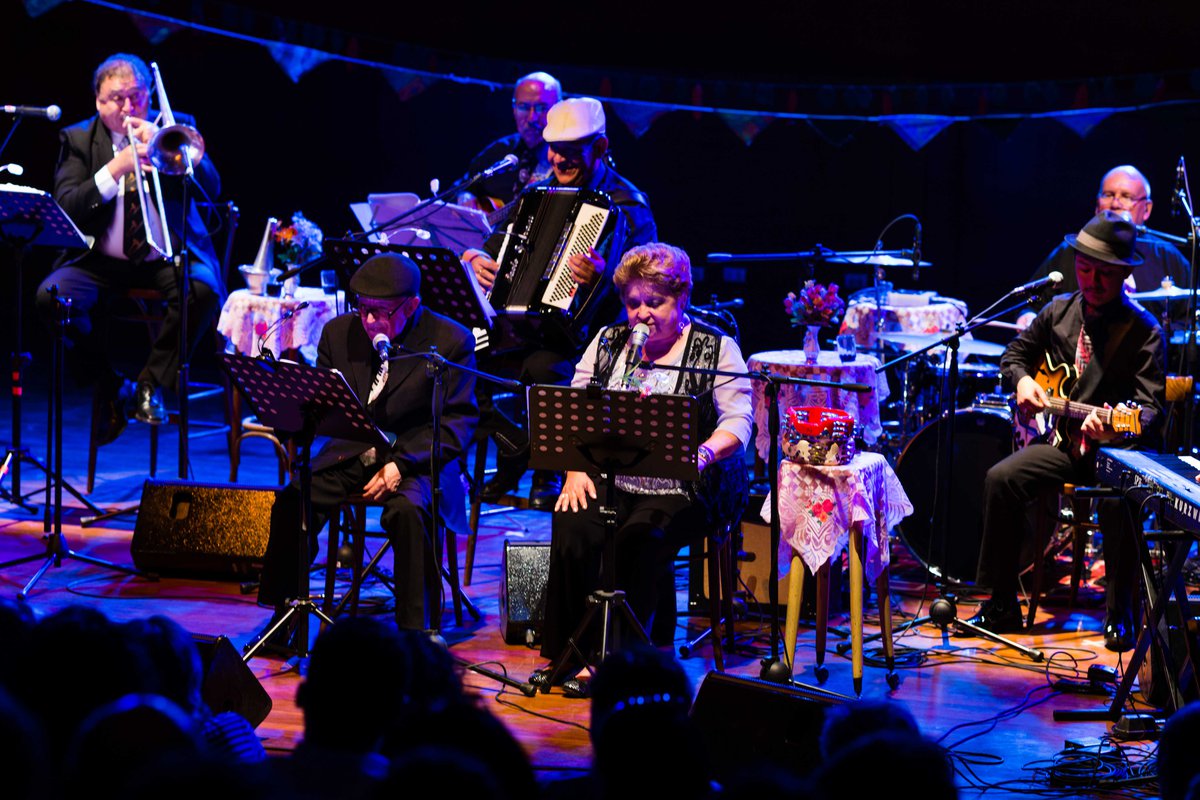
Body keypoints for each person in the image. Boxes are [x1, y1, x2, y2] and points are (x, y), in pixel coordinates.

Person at [529, 243, 751, 695]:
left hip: (689, 484)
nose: (642, 314)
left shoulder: (716, 349)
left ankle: (617, 661)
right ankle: (568, 650)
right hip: (613, 475)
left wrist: (702, 453)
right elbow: (574, 409)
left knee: (640, 536)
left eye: (655, 302)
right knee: (572, 522)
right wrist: (574, 470)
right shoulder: (609, 342)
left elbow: (738, 423)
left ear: (682, 299)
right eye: (633, 303)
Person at [968, 211, 1165, 652]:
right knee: (1001, 479)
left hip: (1116, 453)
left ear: (1124, 274)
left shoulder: (1144, 331)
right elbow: (1014, 356)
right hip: (1064, 444)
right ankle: (1001, 604)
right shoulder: (1057, 312)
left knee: (1118, 500)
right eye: (1085, 268)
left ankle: (1120, 613)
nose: (1092, 280)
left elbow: (1150, 410)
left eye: (1104, 273)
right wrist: (1021, 381)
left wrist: (1114, 428)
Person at [255, 253, 477, 633]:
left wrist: (401, 465)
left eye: (381, 312)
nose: (369, 320)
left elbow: (458, 422)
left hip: (418, 458)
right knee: (295, 499)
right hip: (354, 449)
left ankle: (417, 632)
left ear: (411, 306)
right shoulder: (339, 333)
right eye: (363, 309)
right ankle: (285, 615)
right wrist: (285, 409)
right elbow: (322, 405)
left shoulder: (450, 340)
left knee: (408, 511)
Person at [463, 97, 658, 509]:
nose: (557, 159)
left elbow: (649, 286)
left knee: (544, 367)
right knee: (461, 356)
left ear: (600, 147)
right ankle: (516, 452)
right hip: (524, 328)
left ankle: (546, 470)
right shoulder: (537, 192)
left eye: (570, 151)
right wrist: (477, 257)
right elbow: (495, 242)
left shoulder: (629, 205)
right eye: (554, 149)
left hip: (593, 337)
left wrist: (607, 276)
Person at [38, 53, 223, 443]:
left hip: (164, 255)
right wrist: (117, 166)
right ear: (98, 102)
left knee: (203, 290)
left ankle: (151, 384)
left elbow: (212, 187)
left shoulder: (173, 126)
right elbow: (67, 205)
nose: (127, 107)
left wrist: (171, 151)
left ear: (149, 96)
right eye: (116, 98)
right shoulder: (78, 139)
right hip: (100, 259)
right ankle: (108, 381)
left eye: (136, 96)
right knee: (50, 299)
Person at [1022, 165, 1190, 327]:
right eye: (1108, 195)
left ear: (1146, 209)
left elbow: (1188, 318)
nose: (1115, 203)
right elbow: (1033, 304)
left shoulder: (1169, 258)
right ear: (1097, 205)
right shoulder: (1072, 251)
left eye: (1126, 196)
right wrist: (1027, 315)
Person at [458, 71, 561, 211]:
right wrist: (465, 198)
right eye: (523, 107)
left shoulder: (568, 158)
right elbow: (462, 187)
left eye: (541, 108)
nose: (532, 118)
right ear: (514, 109)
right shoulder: (499, 150)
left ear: (557, 109)